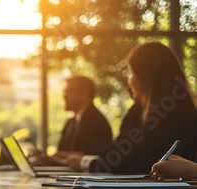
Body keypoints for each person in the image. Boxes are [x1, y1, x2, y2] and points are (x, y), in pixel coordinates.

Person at [63, 42, 197, 174]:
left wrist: (84, 162)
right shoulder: (137, 111)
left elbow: (134, 160)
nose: (128, 82)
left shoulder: (175, 116)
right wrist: (83, 157)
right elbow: (119, 147)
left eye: (130, 73)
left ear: (145, 76)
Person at [40, 76, 112, 165]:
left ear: (84, 94)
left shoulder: (99, 123)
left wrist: (77, 157)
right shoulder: (70, 123)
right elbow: (61, 155)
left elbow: (102, 156)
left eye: (69, 91)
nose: (64, 96)